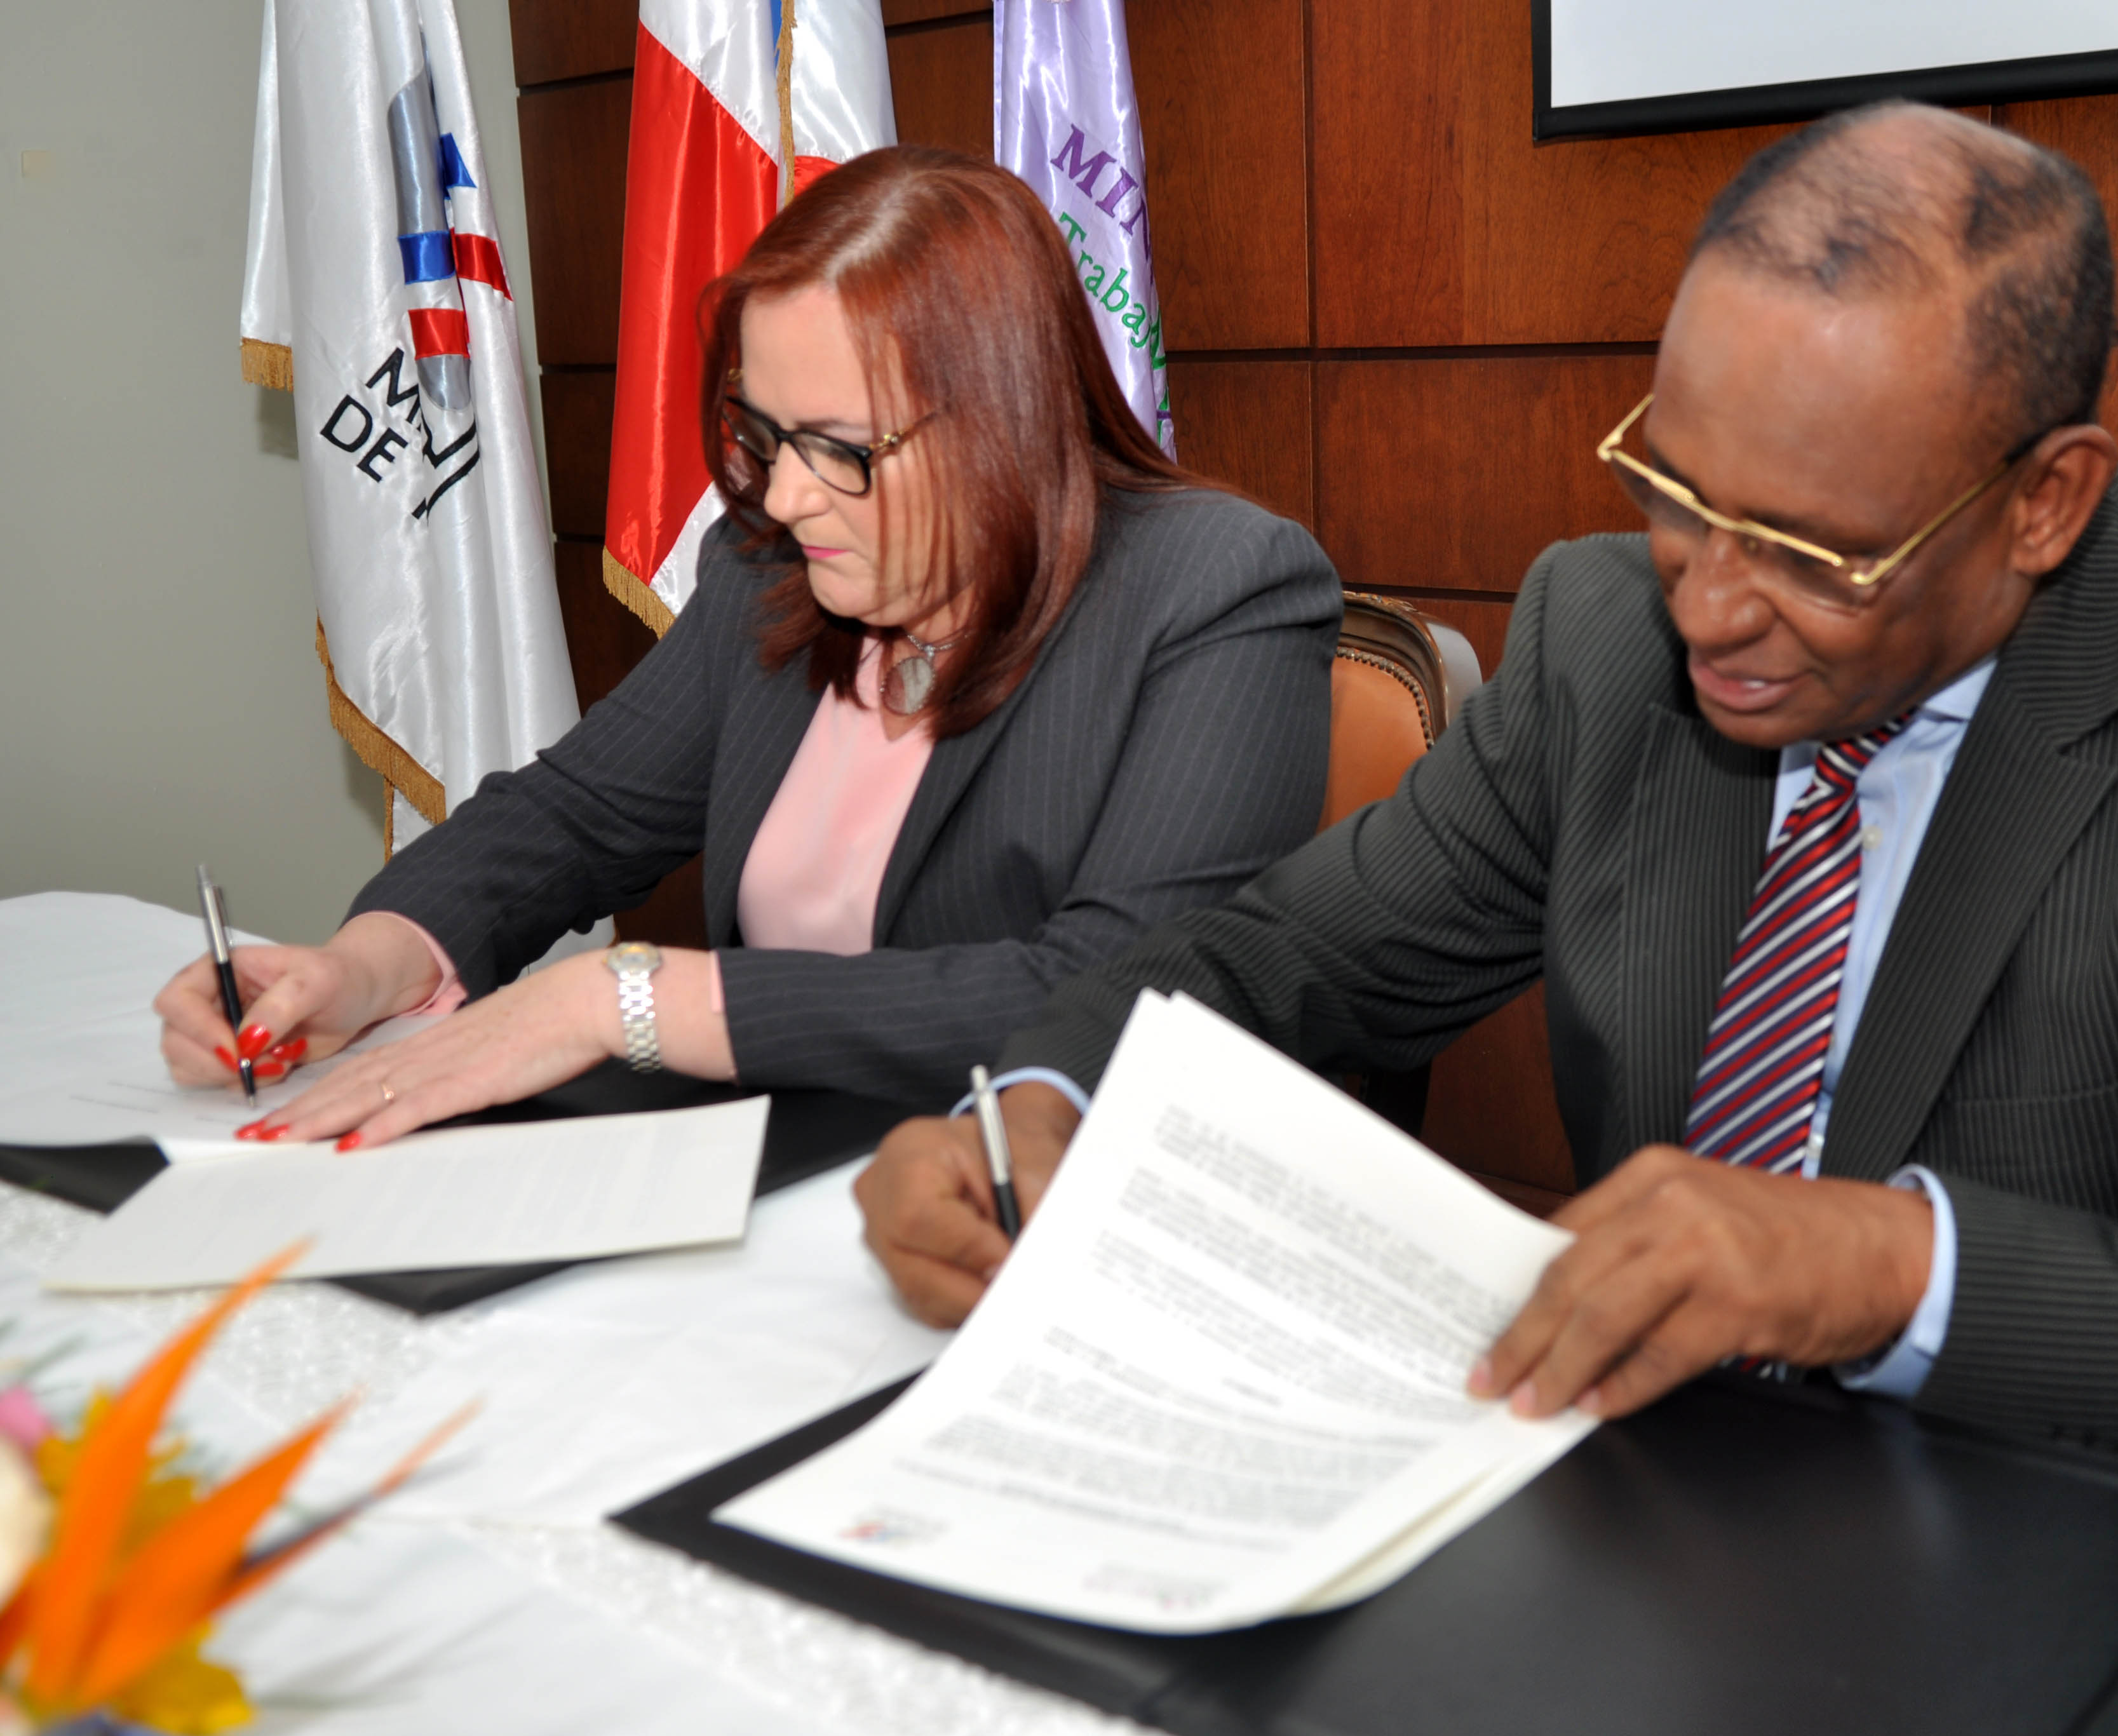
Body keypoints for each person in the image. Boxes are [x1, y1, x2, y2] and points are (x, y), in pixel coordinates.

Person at [851, 105, 2118, 1585]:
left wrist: (1894, 1266)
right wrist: (1037, 1106)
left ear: (2046, 502)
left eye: (1817, 555)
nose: (1713, 607)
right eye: (1675, 487)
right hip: (1678, 1530)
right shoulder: (1605, 642)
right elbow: (1278, 958)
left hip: (2093, 1570)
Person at [152, 147, 1342, 1143]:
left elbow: (1112, 992)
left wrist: (626, 999)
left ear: (1002, 422)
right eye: (762, 435)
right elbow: (572, 817)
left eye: (838, 447)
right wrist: (369, 964)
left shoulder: (1218, 589)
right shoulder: (772, 567)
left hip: (1008, 1209)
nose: (782, 496)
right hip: (758, 1170)